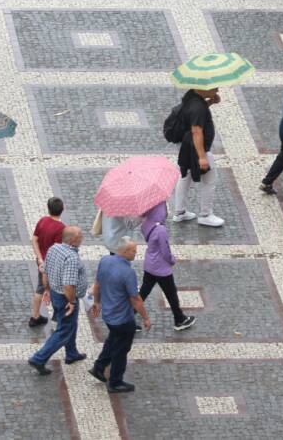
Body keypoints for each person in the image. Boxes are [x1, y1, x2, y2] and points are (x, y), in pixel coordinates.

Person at [90, 239, 150, 393]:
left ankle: (99, 366)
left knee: (113, 340)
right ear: (123, 251)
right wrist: (145, 318)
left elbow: (97, 283)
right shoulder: (128, 272)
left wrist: (97, 302)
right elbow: (135, 299)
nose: (136, 253)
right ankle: (115, 382)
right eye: (133, 251)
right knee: (121, 350)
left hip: (109, 315)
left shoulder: (105, 260)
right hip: (122, 318)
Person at [28, 226, 87, 375]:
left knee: (70, 324)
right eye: (80, 235)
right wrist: (72, 302)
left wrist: (47, 289)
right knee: (64, 330)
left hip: (55, 293)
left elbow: (45, 270)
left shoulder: (54, 248)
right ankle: (39, 358)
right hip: (66, 298)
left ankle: (71, 352)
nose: (82, 237)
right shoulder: (71, 258)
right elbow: (68, 285)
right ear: (73, 240)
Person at [139, 202, 196, 331]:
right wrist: (172, 260)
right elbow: (165, 252)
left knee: (144, 291)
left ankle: (130, 313)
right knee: (171, 295)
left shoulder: (147, 223)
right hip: (161, 269)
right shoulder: (161, 230)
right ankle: (179, 320)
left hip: (149, 264)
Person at [173, 87, 224, 227]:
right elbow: (196, 131)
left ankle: (179, 212)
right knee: (210, 180)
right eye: (214, 88)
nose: (217, 89)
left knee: (185, 176)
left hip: (186, 146)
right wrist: (202, 157)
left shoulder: (191, 97)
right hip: (196, 149)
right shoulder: (198, 107)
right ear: (203, 89)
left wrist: (210, 102)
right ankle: (205, 215)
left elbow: (193, 115)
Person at [29, 197, 65, 328]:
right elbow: (57, 250)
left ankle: (35, 316)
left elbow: (34, 240)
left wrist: (39, 258)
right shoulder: (61, 228)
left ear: (48, 208)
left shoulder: (42, 221)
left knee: (40, 288)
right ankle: (56, 319)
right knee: (56, 289)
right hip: (53, 264)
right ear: (62, 209)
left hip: (41, 261)